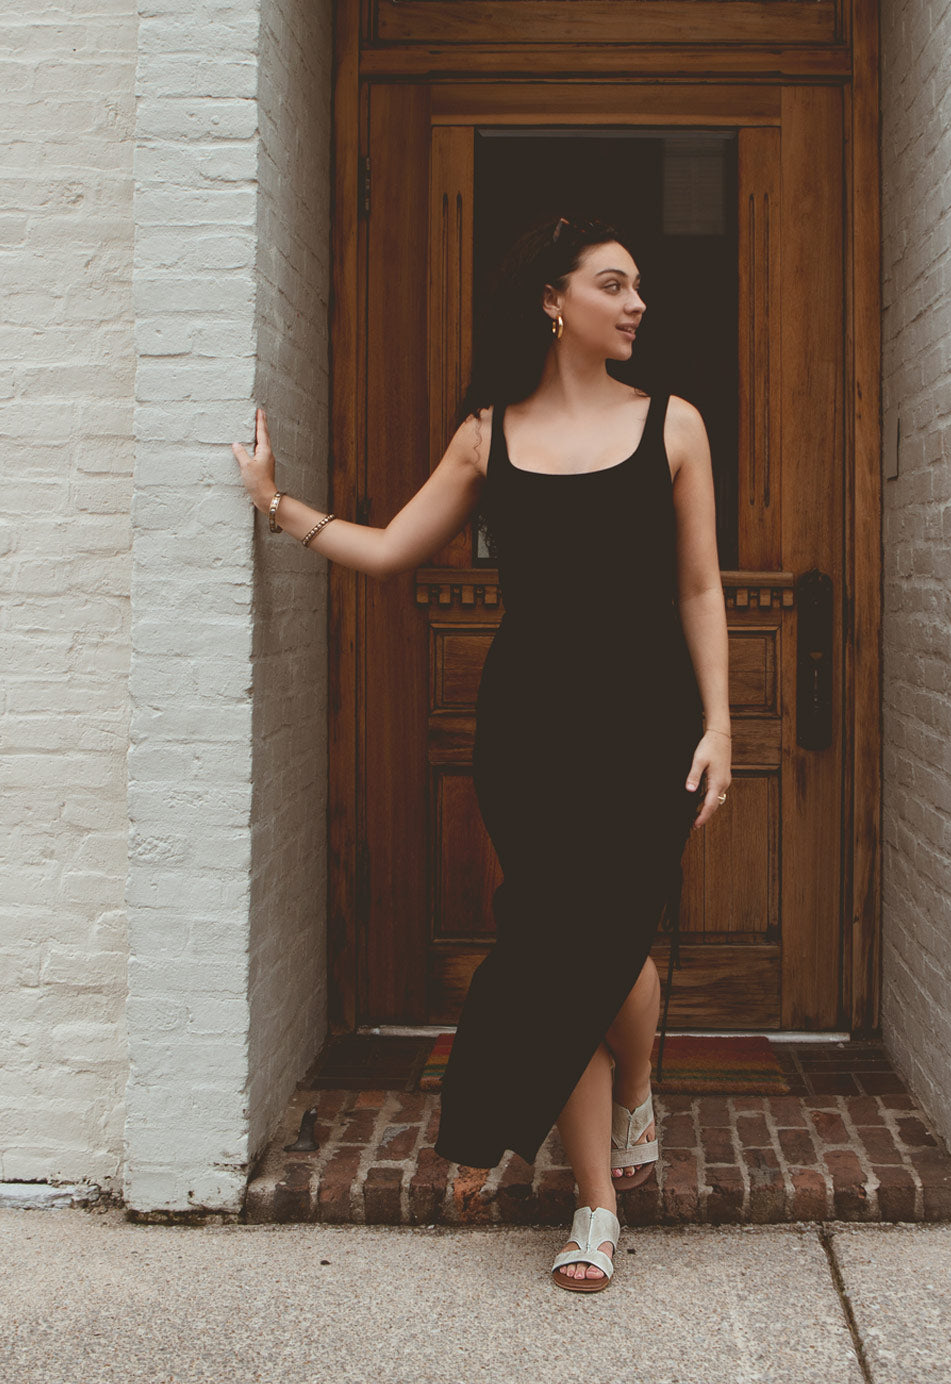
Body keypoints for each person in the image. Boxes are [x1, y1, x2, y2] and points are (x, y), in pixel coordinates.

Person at [232, 213, 731, 1293]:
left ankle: (640, 1082)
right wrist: (277, 504)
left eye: (640, 286)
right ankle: (596, 1203)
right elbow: (390, 550)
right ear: (555, 302)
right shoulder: (485, 435)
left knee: (610, 947)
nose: (638, 302)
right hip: (531, 733)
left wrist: (721, 723)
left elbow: (699, 587)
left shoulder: (676, 427)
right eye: (614, 283)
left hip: (648, 726)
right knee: (561, 949)